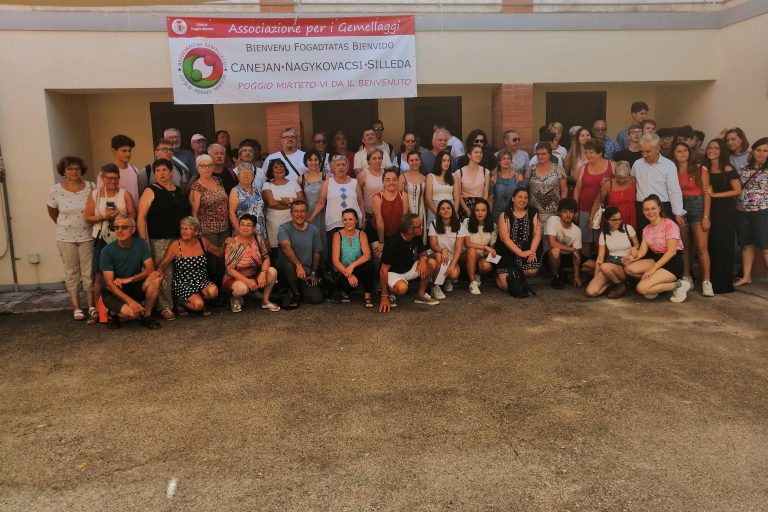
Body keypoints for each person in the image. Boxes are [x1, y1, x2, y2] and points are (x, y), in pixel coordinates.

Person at [137, 158, 190, 320]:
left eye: (164, 170)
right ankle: (164, 306)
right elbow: (141, 217)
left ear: (171, 172)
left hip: (179, 238)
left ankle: (179, 301)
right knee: (163, 272)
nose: (161, 173)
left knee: (180, 271)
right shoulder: (150, 190)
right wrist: (143, 242)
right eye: (157, 171)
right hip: (159, 239)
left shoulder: (179, 191)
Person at [84, 163, 137, 321]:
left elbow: (133, 215)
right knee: (99, 275)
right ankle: (98, 311)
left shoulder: (125, 194)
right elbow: (87, 217)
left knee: (123, 273)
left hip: (122, 238)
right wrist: (103, 217)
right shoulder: (95, 195)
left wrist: (120, 216)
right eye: (108, 178)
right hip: (101, 237)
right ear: (102, 178)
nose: (112, 181)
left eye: (115, 178)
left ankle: (120, 306)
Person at [47, 156, 96, 323]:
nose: (73, 171)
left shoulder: (91, 187)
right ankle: (76, 307)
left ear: (81, 170)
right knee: (71, 273)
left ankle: (91, 305)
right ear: (63, 171)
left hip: (88, 237)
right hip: (65, 238)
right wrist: (67, 226)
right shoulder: (55, 190)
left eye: (76, 168)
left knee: (89, 273)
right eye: (69, 168)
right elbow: (53, 213)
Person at [99, 214, 162, 329]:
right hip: (114, 291)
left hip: (133, 285)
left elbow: (150, 268)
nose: (119, 230)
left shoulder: (141, 244)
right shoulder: (106, 251)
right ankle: (113, 314)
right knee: (133, 315)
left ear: (133, 229)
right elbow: (109, 284)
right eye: (116, 227)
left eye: (124, 227)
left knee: (155, 279)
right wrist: (130, 302)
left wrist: (130, 279)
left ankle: (147, 316)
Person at [624, 195, 689, 302]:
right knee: (628, 268)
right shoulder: (646, 229)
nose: (650, 212)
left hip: (672, 262)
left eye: (653, 208)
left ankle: (679, 285)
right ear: (643, 211)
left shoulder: (669, 224)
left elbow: (671, 252)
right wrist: (631, 258)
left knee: (642, 288)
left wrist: (653, 268)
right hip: (657, 259)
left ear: (659, 208)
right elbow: (642, 251)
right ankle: (655, 287)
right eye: (646, 209)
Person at [153, 216, 221, 316]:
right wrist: (158, 271)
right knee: (198, 305)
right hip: (183, 283)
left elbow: (219, 252)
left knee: (213, 292)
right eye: (182, 228)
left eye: (187, 229)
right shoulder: (176, 245)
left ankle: (198, 300)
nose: (183, 232)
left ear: (196, 232)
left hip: (201, 280)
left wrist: (228, 243)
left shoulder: (203, 242)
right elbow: (165, 262)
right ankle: (180, 302)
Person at [671, 141, 713, 296]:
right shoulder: (672, 170)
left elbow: (707, 193)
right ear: (673, 154)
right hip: (679, 208)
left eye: (685, 150)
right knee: (684, 246)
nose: (682, 153)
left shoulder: (700, 169)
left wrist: (706, 216)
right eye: (678, 151)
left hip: (697, 207)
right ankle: (686, 277)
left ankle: (706, 281)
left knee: (701, 247)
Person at [379, 214, 441, 312]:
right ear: (410, 230)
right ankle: (389, 293)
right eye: (419, 225)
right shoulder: (392, 242)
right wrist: (384, 296)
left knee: (431, 263)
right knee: (402, 288)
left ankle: (420, 294)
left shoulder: (416, 236)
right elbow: (383, 270)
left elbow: (423, 252)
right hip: (393, 273)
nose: (422, 227)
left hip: (409, 268)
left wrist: (422, 260)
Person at [702, 138, 741, 294]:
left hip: (725, 212)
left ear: (722, 151)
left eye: (716, 148)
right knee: (712, 245)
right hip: (710, 210)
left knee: (723, 246)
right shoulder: (705, 168)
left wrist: (715, 195)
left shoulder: (727, 168)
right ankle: (711, 280)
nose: (711, 150)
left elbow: (737, 190)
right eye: (710, 148)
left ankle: (723, 284)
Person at [631, 134, 686, 237]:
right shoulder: (637, 164)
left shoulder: (669, 165)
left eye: (648, 151)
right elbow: (631, 184)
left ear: (657, 148)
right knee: (643, 239)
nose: (644, 155)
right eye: (642, 152)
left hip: (662, 208)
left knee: (663, 241)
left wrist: (677, 213)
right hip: (642, 209)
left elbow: (674, 190)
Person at [308, 154, 365, 253]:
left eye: (343, 165)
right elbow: (321, 202)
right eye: (338, 165)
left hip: (353, 223)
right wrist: (311, 217)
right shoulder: (328, 183)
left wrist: (363, 218)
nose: (341, 167)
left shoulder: (354, 183)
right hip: (334, 223)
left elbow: (360, 202)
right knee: (335, 253)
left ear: (348, 167)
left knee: (353, 252)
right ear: (333, 168)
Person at [223, 213, 280, 313]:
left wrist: (263, 273)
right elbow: (230, 269)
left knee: (272, 271)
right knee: (242, 289)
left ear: (254, 228)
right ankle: (234, 298)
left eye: (248, 225)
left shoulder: (258, 239)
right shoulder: (232, 243)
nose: (245, 227)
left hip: (253, 275)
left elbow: (266, 258)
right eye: (242, 224)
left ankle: (265, 300)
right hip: (234, 278)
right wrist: (248, 282)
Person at [734, 137, 768, 287]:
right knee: (746, 245)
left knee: (765, 247)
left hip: (762, 211)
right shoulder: (743, 169)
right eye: (758, 150)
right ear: (753, 151)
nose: (761, 153)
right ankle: (746, 276)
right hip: (742, 211)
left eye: (765, 151)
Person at [585, 206, 639, 299]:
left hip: (624, 264)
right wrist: (596, 276)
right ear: (606, 220)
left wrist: (634, 248)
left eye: (620, 218)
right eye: (614, 220)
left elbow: (637, 244)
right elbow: (600, 258)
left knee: (605, 266)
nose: (618, 221)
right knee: (590, 292)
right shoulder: (603, 234)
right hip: (609, 265)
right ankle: (615, 283)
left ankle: (619, 285)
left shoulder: (627, 228)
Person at [494, 187, 542, 291]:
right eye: (520, 197)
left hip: (527, 249)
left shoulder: (533, 212)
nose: (523, 200)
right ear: (513, 198)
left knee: (531, 271)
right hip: (507, 251)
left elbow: (537, 234)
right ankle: (498, 276)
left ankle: (519, 277)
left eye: (526, 198)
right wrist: (521, 253)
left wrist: (532, 251)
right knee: (506, 287)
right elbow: (504, 239)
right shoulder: (505, 214)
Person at [278, 201, 324, 308]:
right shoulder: (284, 228)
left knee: (317, 298)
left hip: (305, 272)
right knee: (289, 266)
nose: (299, 214)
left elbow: (316, 253)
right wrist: (298, 265)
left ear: (307, 213)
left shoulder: (313, 229)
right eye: (296, 211)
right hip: (289, 270)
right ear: (291, 213)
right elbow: (286, 247)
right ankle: (296, 293)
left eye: (302, 211)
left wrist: (313, 274)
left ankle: (296, 289)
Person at [574, 139, 615, 259]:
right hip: (585, 209)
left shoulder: (612, 165)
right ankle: (586, 264)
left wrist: (610, 181)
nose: (588, 155)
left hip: (604, 210)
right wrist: (576, 209)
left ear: (600, 152)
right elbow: (577, 189)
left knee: (602, 238)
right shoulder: (583, 168)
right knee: (585, 239)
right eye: (586, 152)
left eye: (591, 152)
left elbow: (621, 182)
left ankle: (602, 264)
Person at [330, 208, 375, 308]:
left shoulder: (361, 234)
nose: (347, 222)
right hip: (343, 272)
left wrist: (352, 266)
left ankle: (367, 297)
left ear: (356, 220)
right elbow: (335, 261)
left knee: (368, 266)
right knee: (344, 284)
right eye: (345, 219)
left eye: (350, 219)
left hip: (356, 269)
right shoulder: (337, 235)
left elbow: (367, 255)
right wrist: (348, 275)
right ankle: (344, 292)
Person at [261, 159, 305, 254]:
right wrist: (292, 204)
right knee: (278, 252)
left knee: (295, 250)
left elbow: (302, 200)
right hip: (275, 224)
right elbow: (271, 203)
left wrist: (287, 200)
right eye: (275, 167)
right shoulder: (267, 185)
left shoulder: (293, 183)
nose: (279, 169)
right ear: (271, 171)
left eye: (281, 166)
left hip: (294, 222)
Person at [428, 200, 467, 299]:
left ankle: (446, 280)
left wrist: (452, 265)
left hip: (451, 257)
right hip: (438, 253)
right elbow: (433, 245)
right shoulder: (434, 224)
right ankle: (435, 286)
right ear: (439, 212)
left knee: (454, 274)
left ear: (452, 210)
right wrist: (442, 250)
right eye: (443, 209)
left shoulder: (460, 225)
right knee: (438, 256)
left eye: (448, 208)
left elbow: (458, 248)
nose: (446, 210)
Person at [190, 154, 229, 248]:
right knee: (213, 256)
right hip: (208, 231)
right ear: (198, 168)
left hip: (225, 227)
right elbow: (194, 212)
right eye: (203, 166)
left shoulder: (218, 180)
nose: (207, 168)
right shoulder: (197, 187)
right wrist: (198, 231)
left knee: (225, 255)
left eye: (209, 165)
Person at [525, 142, 568, 230]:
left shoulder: (558, 169)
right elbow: (525, 189)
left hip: (554, 213)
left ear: (550, 154)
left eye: (543, 154)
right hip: (533, 213)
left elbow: (564, 190)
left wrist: (562, 209)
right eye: (538, 154)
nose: (540, 156)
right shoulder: (530, 169)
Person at [545, 198, 582, 289]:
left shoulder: (577, 230)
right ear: (559, 212)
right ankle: (556, 277)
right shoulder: (553, 220)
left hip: (567, 256)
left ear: (574, 213)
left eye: (571, 212)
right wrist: (572, 249)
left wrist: (576, 275)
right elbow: (552, 243)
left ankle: (567, 274)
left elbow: (576, 255)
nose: (568, 215)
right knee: (556, 251)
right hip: (551, 257)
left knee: (591, 266)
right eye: (565, 211)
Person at [372, 169, 409, 259]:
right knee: (380, 255)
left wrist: (400, 240)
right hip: (379, 234)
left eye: (394, 180)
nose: (391, 183)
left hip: (397, 233)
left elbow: (404, 220)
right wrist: (381, 242)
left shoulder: (403, 196)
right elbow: (379, 221)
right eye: (388, 180)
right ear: (383, 182)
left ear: (398, 181)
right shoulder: (377, 198)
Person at [462, 198, 497, 295]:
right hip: (465, 256)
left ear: (487, 211)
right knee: (472, 250)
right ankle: (472, 283)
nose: (480, 213)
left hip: (481, 255)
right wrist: (485, 247)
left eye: (483, 210)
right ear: (473, 211)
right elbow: (468, 244)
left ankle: (477, 274)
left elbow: (492, 249)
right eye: (477, 210)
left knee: (486, 266)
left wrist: (482, 254)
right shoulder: (467, 222)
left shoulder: (493, 226)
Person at [590, 160, 637, 230]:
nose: (621, 181)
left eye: (624, 178)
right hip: (613, 219)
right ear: (614, 173)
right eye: (618, 178)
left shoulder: (633, 181)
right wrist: (591, 217)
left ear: (629, 174)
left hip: (630, 217)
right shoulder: (608, 184)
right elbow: (598, 201)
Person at [298, 149, 328, 255]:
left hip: (323, 211)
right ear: (306, 162)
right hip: (308, 212)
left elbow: (325, 199)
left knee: (323, 237)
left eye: (316, 159)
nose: (313, 162)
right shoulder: (301, 179)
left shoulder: (326, 177)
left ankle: (325, 263)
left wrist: (312, 216)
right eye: (310, 160)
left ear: (319, 161)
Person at [97, 135, 140, 205]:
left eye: (129, 151)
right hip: (115, 211)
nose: (128, 154)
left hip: (135, 211)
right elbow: (101, 197)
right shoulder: (105, 173)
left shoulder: (135, 171)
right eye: (124, 151)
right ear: (114, 151)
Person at [228, 162, 266, 238]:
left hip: (260, 232)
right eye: (243, 173)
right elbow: (231, 213)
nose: (246, 175)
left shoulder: (257, 190)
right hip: (243, 232)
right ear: (238, 176)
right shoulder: (235, 191)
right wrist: (240, 232)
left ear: (253, 176)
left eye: (249, 173)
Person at [454, 145, 491, 220]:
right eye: (476, 152)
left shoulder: (486, 172)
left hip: (480, 205)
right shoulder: (459, 172)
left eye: (481, 153)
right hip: (464, 205)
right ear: (469, 155)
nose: (479, 154)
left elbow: (485, 193)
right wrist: (467, 210)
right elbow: (458, 194)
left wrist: (482, 208)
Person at [356, 148, 386, 239]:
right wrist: (363, 216)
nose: (377, 161)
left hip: (384, 214)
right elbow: (357, 196)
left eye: (380, 158)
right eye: (374, 158)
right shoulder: (363, 174)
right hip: (369, 215)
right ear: (368, 160)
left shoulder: (385, 174)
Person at [399, 151, 427, 243]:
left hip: (421, 212)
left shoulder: (425, 178)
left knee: (420, 238)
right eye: (411, 160)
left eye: (416, 160)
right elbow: (399, 198)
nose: (414, 162)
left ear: (420, 161)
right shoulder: (402, 178)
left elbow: (426, 199)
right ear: (408, 162)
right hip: (407, 211)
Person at [489, 149, 524, 225]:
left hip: (514, 213)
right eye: (503, 159)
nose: (506, 161)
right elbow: (490, 198)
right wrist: (489, 215)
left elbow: (523, 196)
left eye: (508, 158)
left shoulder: (518, 176)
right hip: (497, 213)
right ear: (499, 162)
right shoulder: (494, 178)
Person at [425, 150, 456, 231]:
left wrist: (453, 214)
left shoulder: (454, 177)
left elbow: (457, 198)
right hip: (434, 210)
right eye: (444, 160)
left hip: (450, 210)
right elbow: (428, 199)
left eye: (448, 160)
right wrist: (439, 214)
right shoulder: (430, 177)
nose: (446, 163)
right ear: (439, 162)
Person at [563, 127, 591, 194]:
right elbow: (564, 175)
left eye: (588, 135)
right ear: (577, 138)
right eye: (582, 135)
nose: (585, 137)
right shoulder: (571, 155)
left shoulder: (595, 154)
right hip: (574, 187)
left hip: (590, 188)